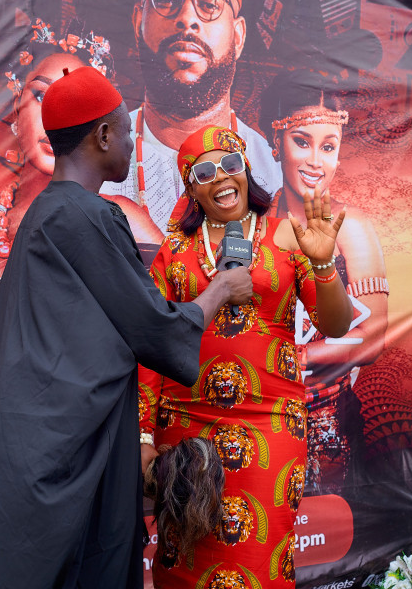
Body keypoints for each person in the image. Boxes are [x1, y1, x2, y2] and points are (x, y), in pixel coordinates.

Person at [0, 68, 253, 588]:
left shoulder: (49, 211)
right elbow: (153, 327)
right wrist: (222, 287)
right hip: (51, 450)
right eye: (125, 130)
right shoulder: (84, 215)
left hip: (33, 439)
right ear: (103, 135)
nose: (132, 140)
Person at [0, 18, 162, 510]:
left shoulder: (123, 222)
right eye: (41, 96)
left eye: (76, 102)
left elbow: (166, 331)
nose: (55, 116)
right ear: (12, 114)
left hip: (69, 473)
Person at [138, 125, 353, 588]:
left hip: (270, 427)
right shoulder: (173, 252)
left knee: (261, 560)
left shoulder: (286, 237)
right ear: (191, 188)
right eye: (204, 172)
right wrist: (142, 437)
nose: (221, 179)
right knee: (185, 557)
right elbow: (152, 347)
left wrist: (323, 263)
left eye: (230, 165)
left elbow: (334, 325)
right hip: (186, 432)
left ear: (246, 170)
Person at [259, 69, 389, 494]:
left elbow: (371, 340)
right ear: (275, 143)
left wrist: (299, 356)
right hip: (258, 417)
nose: (316, 161)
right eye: (302, 142)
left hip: (330, 432)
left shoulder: (352, 229)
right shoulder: (254, 225)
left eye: (328, 147)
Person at [100, 0, 281, 241]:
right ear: (138, 22)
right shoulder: (94, 161)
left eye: (209, 4)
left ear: (238, 37)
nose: (186, 18)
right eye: (165, 0)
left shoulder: (275, 174)